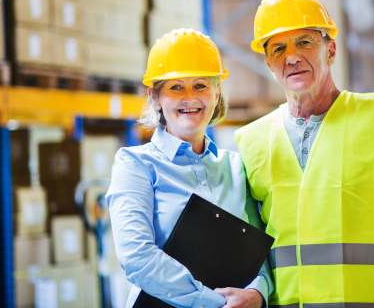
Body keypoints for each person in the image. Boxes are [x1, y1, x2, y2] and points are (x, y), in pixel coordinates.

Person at [234, 0, 374, 307]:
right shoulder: (252, 140)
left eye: (305, 42)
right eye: (278, 48)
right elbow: (252, 241)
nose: (291, 57)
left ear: (330, 50)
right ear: (268, 63)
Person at [106, 29, 273, 308]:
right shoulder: (135, 165)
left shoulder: (236, 168)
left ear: (217, 92)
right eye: (175, 87)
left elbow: (257, 253)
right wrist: (214, 303)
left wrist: (257, 294)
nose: (189, 98)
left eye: (200, 85)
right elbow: (136, 256)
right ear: (155, 96)